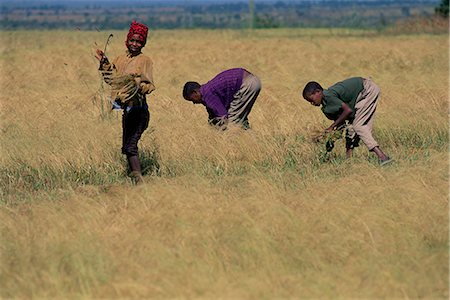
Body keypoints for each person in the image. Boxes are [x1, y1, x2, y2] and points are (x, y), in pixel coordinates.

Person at [95, 21, 155, 184]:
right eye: (132, 40)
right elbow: (112, 80)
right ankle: (135, 178)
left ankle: (139, 180)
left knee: (130, 146)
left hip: (139, 110)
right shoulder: (120, 59)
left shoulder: (145, 60)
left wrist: (136, 85)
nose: (135, 44)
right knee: (126, 147)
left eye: (139, 42)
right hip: (125, 110)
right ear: (127, 40)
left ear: (143, 43)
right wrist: (104, 63)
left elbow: (149, 85)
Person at [302, 77, 392, 165]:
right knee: (351, 129)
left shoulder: (328, 96)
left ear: (318, 92)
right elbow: (342, 123)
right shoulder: (326, 107)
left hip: (367, 90)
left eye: (312, 99)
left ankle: (383, 157)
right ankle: (349, 161)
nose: (312, 103)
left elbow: (348, 111)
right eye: (309, 102)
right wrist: (331, 139)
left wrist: (331, 127)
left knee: (358, 126)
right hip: (361, 95)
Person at [182, 68, 261, 130]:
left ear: (195, 92)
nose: (194, 103)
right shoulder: (207, 89)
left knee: (233, 123)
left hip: (247, 85)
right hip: (252, 81)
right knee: (239, 118)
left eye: (192, 99)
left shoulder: (207, 95)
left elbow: (223, 116)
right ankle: (251, 139)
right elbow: (215, 111)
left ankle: (239, 145)